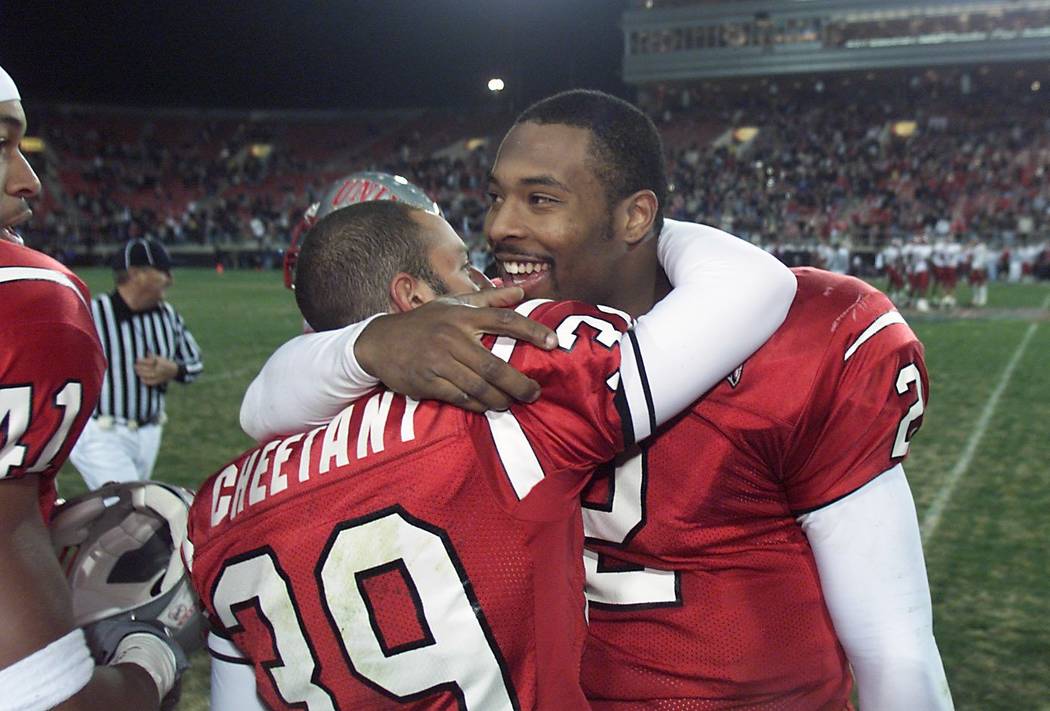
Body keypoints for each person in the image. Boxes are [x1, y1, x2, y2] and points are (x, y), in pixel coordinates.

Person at [242, 89, 954, 709]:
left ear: (635, 215)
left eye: (540, 199)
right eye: (496, 197)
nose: (497, 227)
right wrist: (374, 343)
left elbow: (892, 643)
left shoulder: (798, 337)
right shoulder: (483, 340)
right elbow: (266, 401)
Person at [189, 200, 795, 709]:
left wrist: (362, 346)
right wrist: (625, 223)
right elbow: (753, 284)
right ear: (415, 297)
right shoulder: (506, 398)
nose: (486, 281)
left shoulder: (217, 507)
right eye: (463, 267)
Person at [0, 63, 183, 711]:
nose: (30, 180)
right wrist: (154, 656)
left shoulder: (162, 320)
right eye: (1, 145)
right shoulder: (30, 302)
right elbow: (48, 699)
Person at [69, 237, 203, 489]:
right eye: (163, 271)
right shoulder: (91, 313)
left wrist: (173, 369)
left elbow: (195, 362)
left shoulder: (167, 315)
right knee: (131, 509)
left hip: (150, 431)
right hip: (102, 432)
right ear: (136, 274)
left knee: (119, 512)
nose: (170, 279)